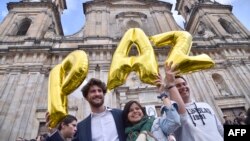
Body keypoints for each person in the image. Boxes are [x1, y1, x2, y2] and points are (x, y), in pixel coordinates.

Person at [122, 62, 186, 141]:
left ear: (143, 111)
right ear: (126, 116)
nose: (135, 111)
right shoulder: (125, 134)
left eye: (137, 109)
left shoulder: (156, 123)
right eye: (130, 110)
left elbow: (174, 121)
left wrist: (163, 94)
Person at [172, 75, 224, 141]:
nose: (183, 87)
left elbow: (220, 129)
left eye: (184, 84)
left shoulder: (206, 105)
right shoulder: (173, 112)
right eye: (178, 86)